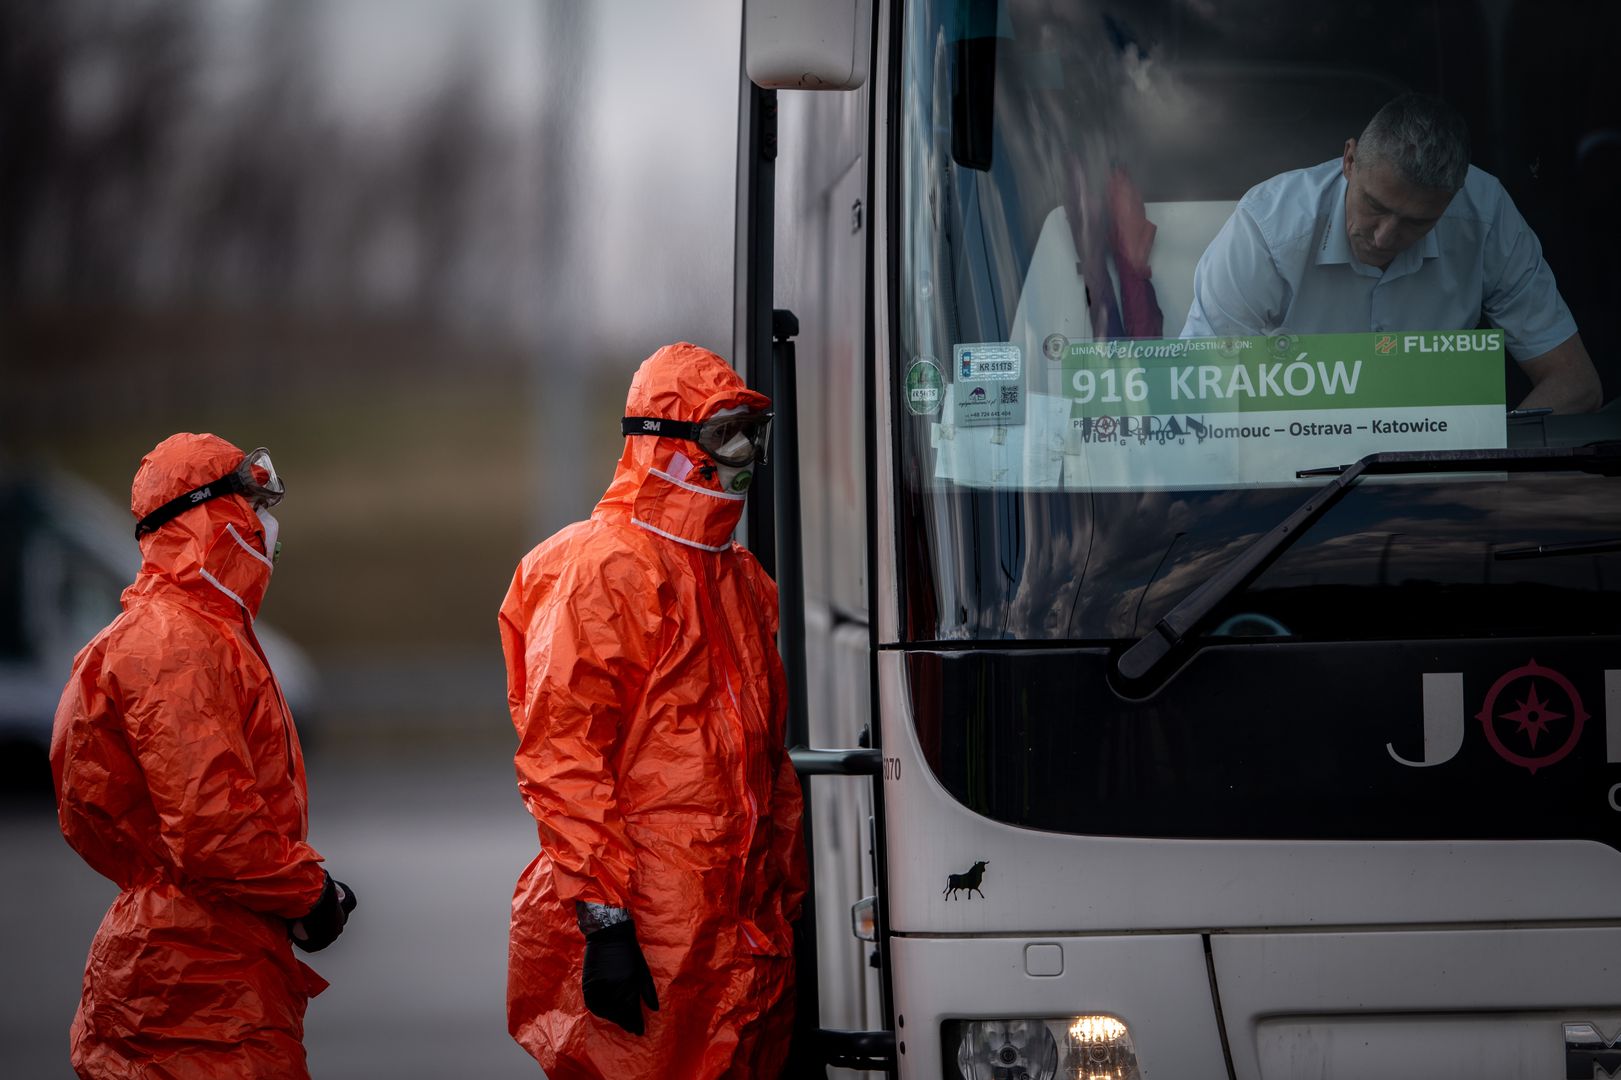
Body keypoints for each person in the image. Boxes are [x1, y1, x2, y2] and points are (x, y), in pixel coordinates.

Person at [499, 341, 806, 1079]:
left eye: (750, 433)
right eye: (723, 432)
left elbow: (766, 764)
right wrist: (604, 918)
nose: (744, 453)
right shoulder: (602, 568)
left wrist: (789, 897)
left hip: (740, 924)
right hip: (650, 922)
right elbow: (564, 755)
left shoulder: (740, 581)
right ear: (665, 447)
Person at [50, 432, 356, 1080]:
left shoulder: (192, 631)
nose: (269, 528)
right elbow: (211, 823)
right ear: (209, 517)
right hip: (197, 978)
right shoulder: (176, 644)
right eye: (254, 506)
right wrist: (309, 895)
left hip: (204, 959)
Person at [1181, 92, 1602, 414]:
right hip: (1293, 479)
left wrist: (1488, 463)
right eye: (1375, 207)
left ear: (1454, 198)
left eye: (1417, 222)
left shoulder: (1485, 214)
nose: (1384, 238)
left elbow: (1575, 382)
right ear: (1349, 160)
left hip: (1446, 489)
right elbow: (1200, 387)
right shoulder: (1266, 228)